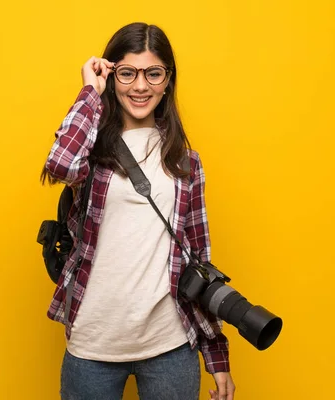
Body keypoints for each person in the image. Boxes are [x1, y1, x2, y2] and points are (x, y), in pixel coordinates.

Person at [41, 22, 235, 400]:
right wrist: (89, 93)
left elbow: (198, 257)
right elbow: (61, 164)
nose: (141, 86)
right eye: (127, 73)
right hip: (93, 344)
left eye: (153, 73)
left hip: (169, 345)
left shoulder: (185, 163)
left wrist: (216, 353)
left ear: (168, 81)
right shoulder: (92, 153)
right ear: (112, 76)